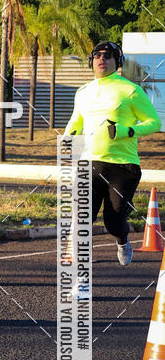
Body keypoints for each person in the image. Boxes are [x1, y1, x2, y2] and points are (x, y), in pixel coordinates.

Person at [65, 40, 161, 265]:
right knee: (82, 217)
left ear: (117, 62)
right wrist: (68, 140)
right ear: (91, 61)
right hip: (90, 164)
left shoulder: (130, 90)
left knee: (114, 221)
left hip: (123, 166)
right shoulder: (83, 92)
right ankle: (81, 264)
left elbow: (154, 122)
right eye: (97, 55)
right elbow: (76, 121)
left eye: (108, 56)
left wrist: (128, 130)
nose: (102, 59)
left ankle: (122, 239)